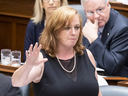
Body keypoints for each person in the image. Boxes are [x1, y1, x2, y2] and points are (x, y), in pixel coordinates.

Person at [12, 6, 102, 96]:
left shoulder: (87, 54)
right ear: (54, 31)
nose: (74, 32)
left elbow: (97, 93)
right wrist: (28, 66)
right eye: (67, 28)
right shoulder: (42, 59)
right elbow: (16, 83)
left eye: (77, 27)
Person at [81, 0, 128, 77]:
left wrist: (94, 39)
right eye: (90, 12)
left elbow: (113, 66)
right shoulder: (84, 25)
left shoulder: (122, 28)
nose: (96, 16)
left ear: (108, 5)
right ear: (85, 12)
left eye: (100, 10)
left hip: (114, 81)